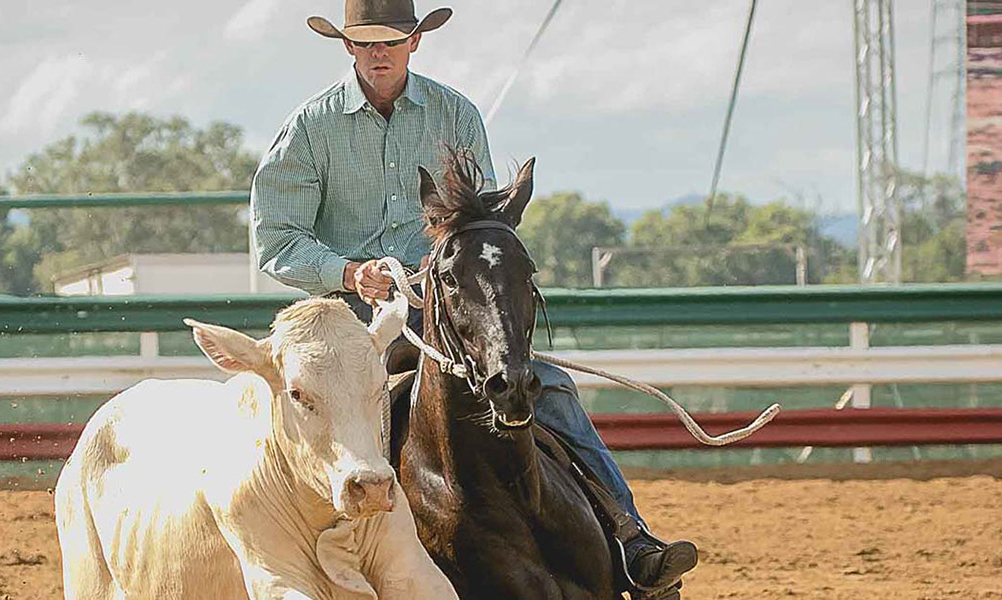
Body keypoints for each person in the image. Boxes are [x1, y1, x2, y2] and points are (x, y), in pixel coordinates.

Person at [250, 1, 697, 597]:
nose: (378, 53)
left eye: (390, 41)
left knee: (548, 386)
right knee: (344, 416)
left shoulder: (454, 114)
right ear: (348, 49)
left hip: (445, 306)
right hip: (351, 322)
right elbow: (275, 238)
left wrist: (441, 275)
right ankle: (328, 561)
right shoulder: (310, 127)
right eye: (365, 43)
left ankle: (629, 536)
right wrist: (350, 271)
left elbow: (479, 221)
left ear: (414, 43)